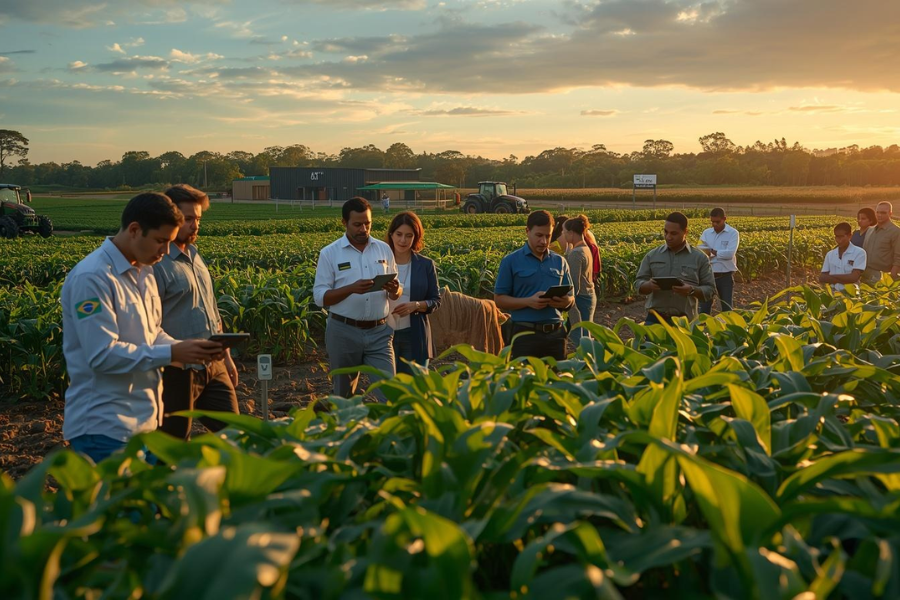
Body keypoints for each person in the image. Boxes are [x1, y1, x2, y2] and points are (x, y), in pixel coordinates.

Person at [61, 193, 225, 463]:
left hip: (145, 425)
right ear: (135, 230)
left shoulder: (146, 271)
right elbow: (102, 355)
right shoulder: (93, 277)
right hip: (104, 428)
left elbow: (153, 333)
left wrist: (187, 349)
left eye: (169, 243)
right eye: (160, 241)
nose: (164, 252)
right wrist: (173, 355)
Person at [153, 184, 240, 441]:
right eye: (188, 219)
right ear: (171, 218)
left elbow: (211, 309)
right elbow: (148, 323)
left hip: (213, 365)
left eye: (198, 219)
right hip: (176, 371)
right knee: (174, 444)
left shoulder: (195, 256)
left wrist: (225, 356)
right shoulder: (157, 263)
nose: (195, 225)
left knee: (235, 436)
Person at [313, 197, 401, 399]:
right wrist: (350, 289)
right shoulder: (330, 253)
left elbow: (396, 293)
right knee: (344, 395)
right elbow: (320, 297)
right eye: (357, 224)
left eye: (367, 224)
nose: (363, 229)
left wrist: (394, 289)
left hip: (380, 332)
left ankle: (386, 430)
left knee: (390, 394)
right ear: (344, 223)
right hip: (343, 332)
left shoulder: (383, 249)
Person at [494, 210, 574, 361]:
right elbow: (499, 299)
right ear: (527, 231)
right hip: (525, 335)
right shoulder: (510, 261)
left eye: (548, 236)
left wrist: (566, 302)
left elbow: (571, 298)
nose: (544, 241)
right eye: (539, 235)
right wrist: (528, 301)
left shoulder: (560, 261)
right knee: (525, 381)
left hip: (556, 335)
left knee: (557, 381)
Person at [634, 212, 716, 325]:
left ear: (685, 232)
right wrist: (648, 285)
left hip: (685, 321)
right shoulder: (652, 256)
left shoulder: (700, 258)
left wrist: (691, 290)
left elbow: (710, 290)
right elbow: (638, 283)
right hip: (655, 319)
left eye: (674, 233)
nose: (668, 237)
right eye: (666, 232)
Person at [385, 211, 441, 374]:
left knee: (414, 388)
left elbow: (435, 300)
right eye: (399, 234)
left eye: (409, 235)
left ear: (415, 237)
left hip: (414, 335)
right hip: (385, 335)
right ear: (391, 234)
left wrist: (416, 305)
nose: (403, 240)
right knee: (389, 388)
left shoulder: (425, 265)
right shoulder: (380, 263)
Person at [697, 207, 739, 313]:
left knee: (727, 308)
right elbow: (700, 249)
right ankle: (702, 329)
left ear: (724, 219)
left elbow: (729, 254)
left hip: (725, 276)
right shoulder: (706, 233)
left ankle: (727, 329)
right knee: (703, 309)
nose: (714, 224)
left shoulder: (733, 233)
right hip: (707, 276)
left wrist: (711, 251)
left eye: (717, 222)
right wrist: (718, 252)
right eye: (712, 222)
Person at [563, 215, 596, 346]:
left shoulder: (576, 253)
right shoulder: (585, 248)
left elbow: (574, 286)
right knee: (586, 335)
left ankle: (587, 363)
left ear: (571, 233)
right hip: (589, 295)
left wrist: (569, 304)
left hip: (581, 299)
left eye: (564, 232)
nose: (563, 235)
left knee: (579, 337)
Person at [820, 222, 867, 293]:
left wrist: (830, 277)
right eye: (836, 236)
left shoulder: (859, 252)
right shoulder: (830, 254)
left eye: (841, 236)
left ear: (850, 236)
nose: (839, 240)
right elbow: (822, 277)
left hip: (851, 294)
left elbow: (853, 278)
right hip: (833, 293)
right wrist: (846, 279)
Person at [862, 201, 900, 284]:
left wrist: (891, 278)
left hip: (882, 276)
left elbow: (898, 257)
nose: (879, 215)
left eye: (883, 213)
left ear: (890, 214)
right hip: (865, 272)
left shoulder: (896, 231)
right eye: (877, 212)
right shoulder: (870, 230)